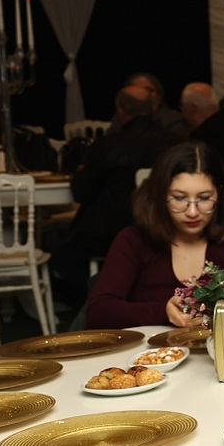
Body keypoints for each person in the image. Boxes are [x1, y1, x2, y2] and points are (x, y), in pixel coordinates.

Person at [86, 140, 224, 330]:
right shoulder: (133, 241)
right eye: (179, 198)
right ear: (161, 194)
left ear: (219, 194)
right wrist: (163, 312)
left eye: (204, 198)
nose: (192, 212)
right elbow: (99, 312)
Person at [51, 85, 181, 295]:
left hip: (108, 232)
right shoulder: (175, 144)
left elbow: (81, 192)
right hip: (163, 227)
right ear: (153, 108)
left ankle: (102, 293)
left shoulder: (107, 145)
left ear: (120, 109)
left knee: (57, 255)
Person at [126, 70, 190, 138]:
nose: (144, 95)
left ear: (159, 95)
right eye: (137, 91)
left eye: (149, 90)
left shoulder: (174, 121)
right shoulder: (122, 120)